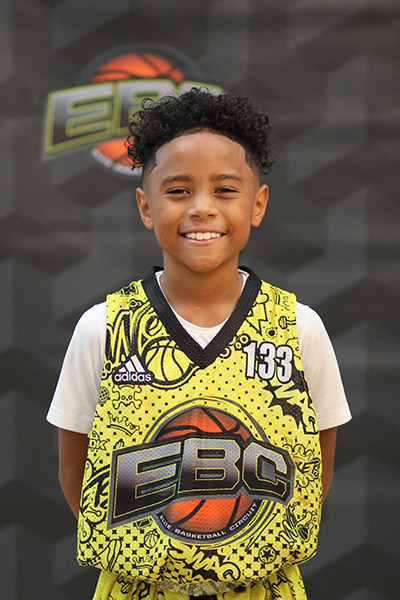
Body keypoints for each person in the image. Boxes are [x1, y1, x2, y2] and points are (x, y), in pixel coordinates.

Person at [47, 88, 351, 600]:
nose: (202, 208)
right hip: (137, 588)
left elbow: (314, 471)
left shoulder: (299, 328)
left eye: (225, 190)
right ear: (146, 206)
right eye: (179, 190)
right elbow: (77, 474)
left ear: (258, 204)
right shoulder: (104, 328)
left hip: (264, 587)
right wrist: (156, 556)